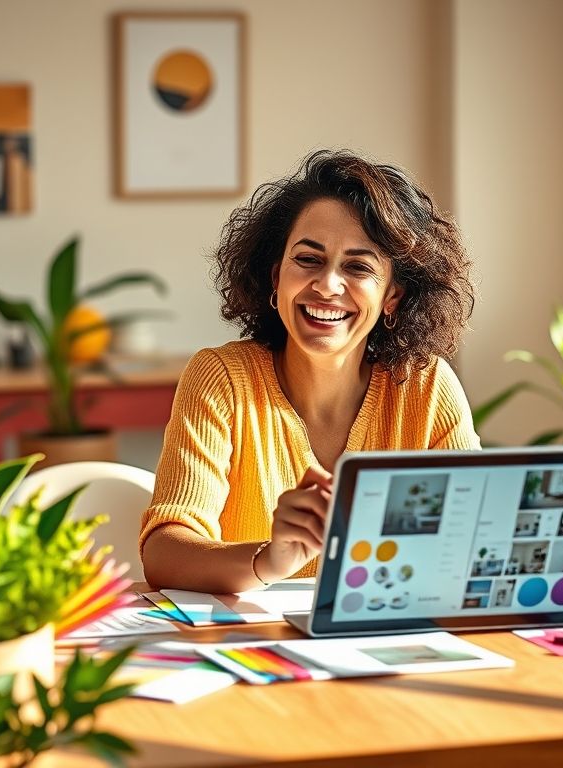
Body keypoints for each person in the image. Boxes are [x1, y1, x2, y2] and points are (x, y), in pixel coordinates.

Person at [140, 149, 479, 592]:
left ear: (392, 297)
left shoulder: (426, 386)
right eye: (308, 259)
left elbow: (472, 537)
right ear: (276, 277)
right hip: (251, 647)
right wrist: (269, 560)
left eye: (358, 267)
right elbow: (165, 552)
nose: (327, 285)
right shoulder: (222, 378)